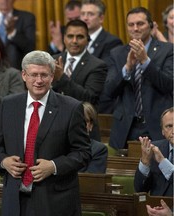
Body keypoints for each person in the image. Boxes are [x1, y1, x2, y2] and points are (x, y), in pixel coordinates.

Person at [0, 50, 91, 216]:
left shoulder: (71, 108)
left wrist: (54, 166)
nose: (39, 80)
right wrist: (4, 161)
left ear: (52, 76)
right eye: (34, 74)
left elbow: (83, 153)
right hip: (14, 200)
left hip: (54, 203)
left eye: (44, 75)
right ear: (23, 75)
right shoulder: (8, 105)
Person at [103, 7, 173, 150]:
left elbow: (168, 84)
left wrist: (145, 61)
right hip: (126, 128)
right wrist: (127, 68)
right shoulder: (117, 53)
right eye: (131, 24)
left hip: (156, 126)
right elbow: (109, 91)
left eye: (140, 24)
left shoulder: (168, 50)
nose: (135, 28)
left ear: (151, 25)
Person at [52, 19, 107, 141]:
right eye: (70, 36)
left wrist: (62, 78)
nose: (74, 41)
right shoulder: (52, 60)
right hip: (53, 127)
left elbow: (89, 98)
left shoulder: (97, 65)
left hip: (82, 129)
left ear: (88, 39)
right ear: (64, 38)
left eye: (80, 37)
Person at [134, 107, 173, 197]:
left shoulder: (158, 153)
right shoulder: (154, 148)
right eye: (169, 126)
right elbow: (140, 189)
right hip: (156, 207)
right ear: (162, 131)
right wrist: (145, 162)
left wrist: (162, 162)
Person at [80, 102, 107, 173]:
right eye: (77, 120)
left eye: (85, 121)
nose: (81, 124)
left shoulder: (98, 150)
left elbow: (91, 180)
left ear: (91, 125)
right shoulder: (60, 146)